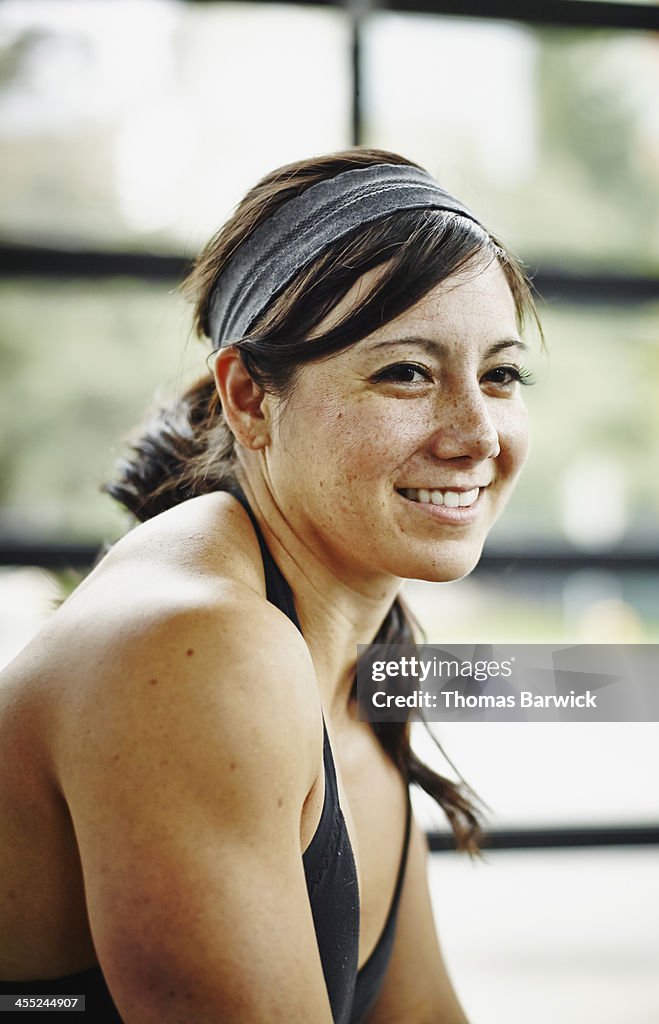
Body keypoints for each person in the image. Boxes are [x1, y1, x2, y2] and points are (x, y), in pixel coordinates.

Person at [0, 148, 538, 1023]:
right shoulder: (198, 649)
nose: (476, 432)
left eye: (501, 374)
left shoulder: (351, 641)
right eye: (405, 371)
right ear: (250, 400)